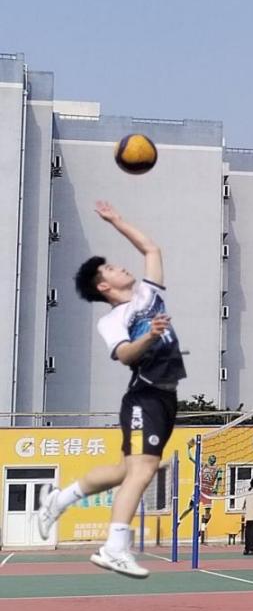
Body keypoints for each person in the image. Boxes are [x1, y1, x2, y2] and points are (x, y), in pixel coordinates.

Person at [37, 202, 184, 579]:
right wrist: (149, 337)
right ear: (104, 286)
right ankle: (114, 548)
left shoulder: (148, 294)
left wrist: (117, 220)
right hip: (144, 397)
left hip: (166, 397)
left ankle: (59, 499)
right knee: (143, 470)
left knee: (123, 471)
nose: (121, 267)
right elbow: (124, 355)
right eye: (111, 269)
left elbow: (152, 249)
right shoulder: (113, 320)